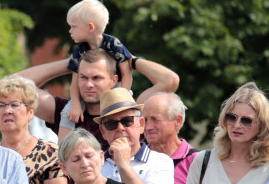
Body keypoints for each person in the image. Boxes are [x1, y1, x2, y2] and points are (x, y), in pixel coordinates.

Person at [18, 50, 179, 151]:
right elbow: (16, 85)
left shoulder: (129, 110)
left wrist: (129, 59)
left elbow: (170, 81)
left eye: (96, 78)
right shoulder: (65, 111)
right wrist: (71, 63)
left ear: (113, 80)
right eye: (83, 77)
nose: (89, 84)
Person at [62, 0, 133, 131]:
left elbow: (127, 73)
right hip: (88, 90)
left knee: (130, 109)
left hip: (117, 86)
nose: (70, 31)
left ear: (90, 27)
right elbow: (75, 82)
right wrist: (76, 104)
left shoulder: (113, 44)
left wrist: (123, 96)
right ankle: (63, 145)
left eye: (73, 26)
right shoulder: (80, 50)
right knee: (67, 111)